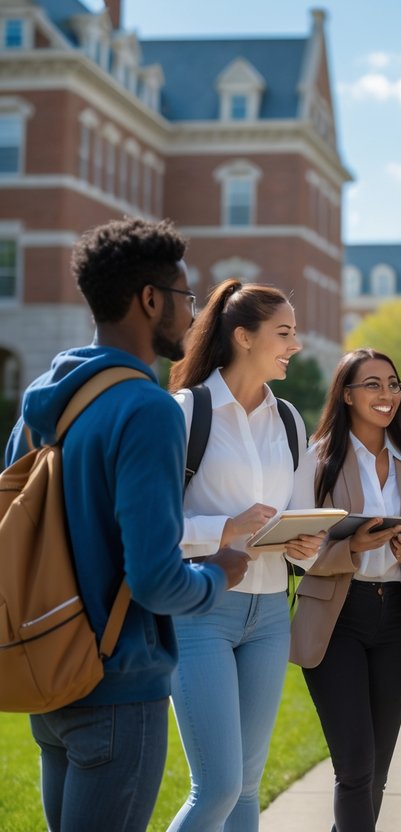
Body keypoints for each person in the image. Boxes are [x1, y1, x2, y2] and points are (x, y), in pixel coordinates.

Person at [3, 218, 248, 831]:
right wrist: (221, 573)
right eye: (187, 299)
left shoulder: (42, 398)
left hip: (46, 669)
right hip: (117, 687)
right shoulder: (147, 409)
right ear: (149, 299)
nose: (192, 317)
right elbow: (157, 581)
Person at [166, 279, 324, 831]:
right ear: (242, 337)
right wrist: (225, 529)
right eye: (283, 333)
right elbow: (150, 527)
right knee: (217, 786)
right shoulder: (186, 411)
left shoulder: (290, 421)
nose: (295, 345)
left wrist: (306, 545)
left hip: (270, 614)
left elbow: (299, 513)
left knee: (248, 789)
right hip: (200, 611)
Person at [288, 348, 401, 832]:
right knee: (354, 767)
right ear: (347, 395)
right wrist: (351, 550)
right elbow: (295, 548)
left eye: (393, 384)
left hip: (394, 615)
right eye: (372, 384)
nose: (386, 394)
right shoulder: (318, 460)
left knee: (377, 773)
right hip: (337, 617)